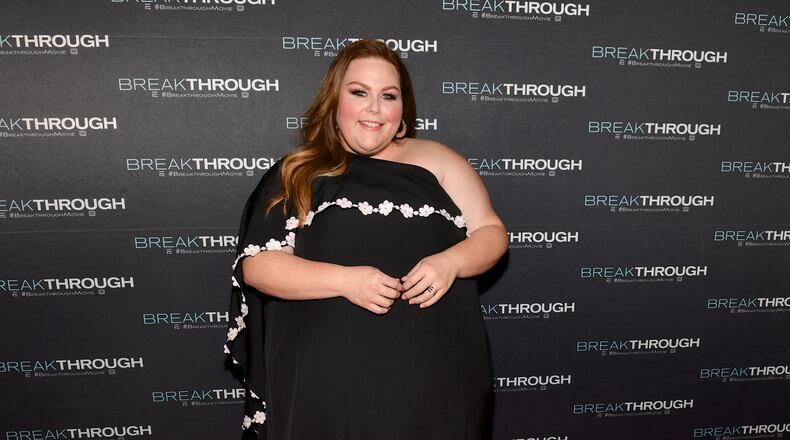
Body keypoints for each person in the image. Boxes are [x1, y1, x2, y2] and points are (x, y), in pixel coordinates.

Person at [223, 39, 508, 439]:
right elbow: (258, 265)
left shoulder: (441, 161)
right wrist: (346, 280)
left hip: (438, 378)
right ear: (334, 101)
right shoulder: (298, 172)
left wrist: (451, 262)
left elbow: (491, 232)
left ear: (402, 109)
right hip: (328, 384)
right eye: (359, 92)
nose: (374, 108)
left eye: (388, 96)